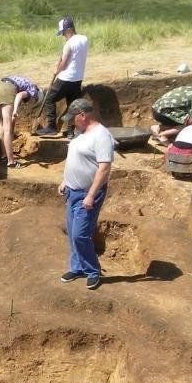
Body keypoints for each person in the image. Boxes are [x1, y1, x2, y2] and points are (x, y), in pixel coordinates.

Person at [57, 99, 117, 291]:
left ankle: (93, 271)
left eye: (73, 118)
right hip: (72, 192)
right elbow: (76, 159)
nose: (71, 122)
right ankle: (77, 268)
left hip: (87, 193)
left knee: (80, 235)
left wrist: (91, 195)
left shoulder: (101, 136)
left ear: (83, 115)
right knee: (72, 233)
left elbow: (104, 168)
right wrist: (65, 181)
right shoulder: (81, 133)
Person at [35, 17, 89, 137]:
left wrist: (56, 70)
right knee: (72, 104)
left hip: (66, 78)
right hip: (78, 78)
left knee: (49, 98)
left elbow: (64, 64)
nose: (63, 35)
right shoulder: (84, 39)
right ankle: (70, 131)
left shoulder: (69, 44)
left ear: (69, 29)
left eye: (64, 32)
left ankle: (51, 127)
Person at [0, 75, 42, 167]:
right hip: (6, 90)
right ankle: (11, 162)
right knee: (7, 129)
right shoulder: (34, 91)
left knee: (1, 124)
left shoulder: (26, 83)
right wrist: (15, 110)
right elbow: (19, 95)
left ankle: (4, 155)